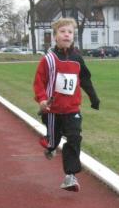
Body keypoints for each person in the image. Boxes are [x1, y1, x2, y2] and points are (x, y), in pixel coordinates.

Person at [33, 17, 100, 192]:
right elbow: (39, 82)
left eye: (70, 32)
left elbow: (85, 79)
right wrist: (41, 99)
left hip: (72, 109)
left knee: (74, 137)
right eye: (62, 31)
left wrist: (94, 98)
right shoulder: (48, 59)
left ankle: (70, 176)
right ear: (55, 36)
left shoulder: (77, 58)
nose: (67, 35)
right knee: (52, 142)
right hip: (53, 110)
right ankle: (50, 146)